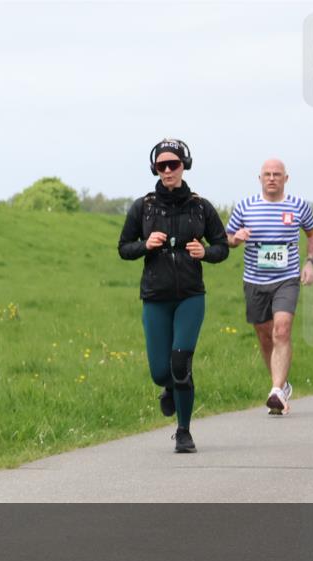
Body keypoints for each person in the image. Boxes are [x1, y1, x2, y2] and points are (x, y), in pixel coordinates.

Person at [118, 138, 229, 453]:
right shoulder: (144, 206)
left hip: (190, 297)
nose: (167, 170)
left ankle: (183, 431)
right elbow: (123, 248)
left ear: (184, 166)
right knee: (160, 372)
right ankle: (168, 387)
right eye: (161, 165)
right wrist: (145, 244)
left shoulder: (200, 206)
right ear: (154, 168)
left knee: (181, 363)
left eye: (173, 164)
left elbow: (222, 247)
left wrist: (205, 252)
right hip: (155, 296)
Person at [226, 159, 313, 414]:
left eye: (277, 174)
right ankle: (280, 385)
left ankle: (276, 390)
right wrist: (236, 238)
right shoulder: (245, 206)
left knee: (281, 331)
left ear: (285, 178)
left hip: (286, 279)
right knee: (265, 335)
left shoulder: (299, 206)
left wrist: (310, 263)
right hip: (254, 281)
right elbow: (228, 238)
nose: (271, 178)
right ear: (260, 178)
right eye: (267, 174)